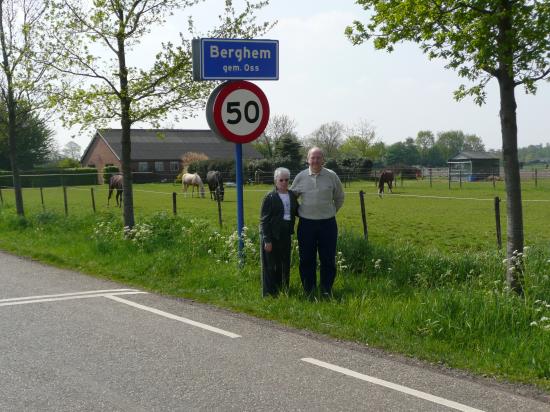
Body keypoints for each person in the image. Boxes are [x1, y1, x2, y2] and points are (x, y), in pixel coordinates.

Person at [290, 147, 345, 299]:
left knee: (328, 258)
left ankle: (326, 289)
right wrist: (298, 211)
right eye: (312, 157)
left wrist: (330, 211)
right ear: (307, 160)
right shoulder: (301, 177)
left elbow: (339, 197)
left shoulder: (332, 176)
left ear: (323, 160)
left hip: (328, 224)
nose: (315, 160)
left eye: (318, 157)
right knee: (306, 259)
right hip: (306, 225)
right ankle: (309, 290)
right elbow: (292, 198)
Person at [259, 167, 299, 296]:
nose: (284, 182)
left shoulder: (292, 196)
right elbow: (264, 220)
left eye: (287, 180)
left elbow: (298, 211)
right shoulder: (270, 197)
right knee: (270, 265)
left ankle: (283, 290)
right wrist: (267, 240)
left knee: (284, 264)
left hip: (286, 234)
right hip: (272, 235)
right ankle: (269, 294)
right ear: (275, 180)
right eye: (281, 180)